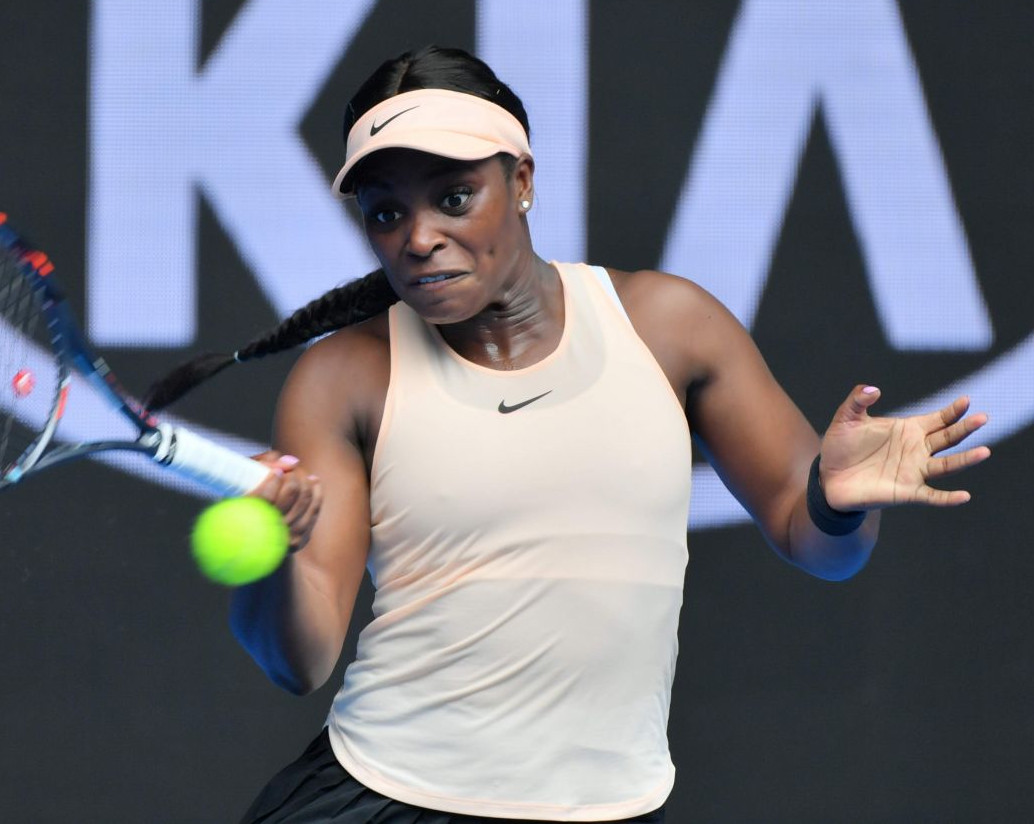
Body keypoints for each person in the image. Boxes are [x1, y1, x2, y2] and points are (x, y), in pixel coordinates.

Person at [146, 46, 990, 823]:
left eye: (451, 197)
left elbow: (822, 545)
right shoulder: (346, 375)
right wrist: (270, 550)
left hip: (611, 804)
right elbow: (298, 658)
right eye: (384, 213)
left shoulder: (668, 326)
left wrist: (835, 503)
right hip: (384, 798)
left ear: (521, 181)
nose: (419, 237)